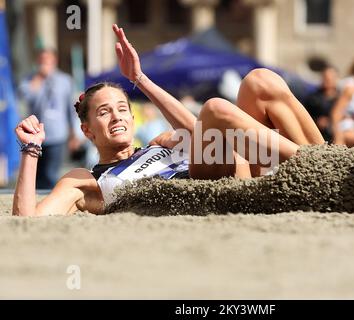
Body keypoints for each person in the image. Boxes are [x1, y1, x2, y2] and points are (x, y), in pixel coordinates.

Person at [12, 24, 324, 216]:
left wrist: (139, 78)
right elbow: (28, 219)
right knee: (214, 108)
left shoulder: (156, 143)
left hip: (246, 168)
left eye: (122, 108)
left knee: (260, 81)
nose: (117, 115)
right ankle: (326, 168)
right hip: (219, 190)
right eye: (104, 112)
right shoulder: (86, 181)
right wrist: (30, 151)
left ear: (133, 118)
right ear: (87, 130)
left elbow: (201, 136)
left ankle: (330, 161)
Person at [18, 48, 81, 189]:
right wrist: (39, 79)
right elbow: (24, 98)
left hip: (57, 135)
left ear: (54, 61)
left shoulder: (65, 80)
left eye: (47, 60)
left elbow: (70, 109)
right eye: (41, 60)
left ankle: (46, 202)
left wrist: (74, 133)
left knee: (50, 174)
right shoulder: (29, 80)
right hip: (34, 134)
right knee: (33, 173)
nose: (44, 63)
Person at [304, 65, 339, 142]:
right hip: (318, 134)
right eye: (325, 78)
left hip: (337, 132)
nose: (327, 81)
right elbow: (304, 115)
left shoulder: (341, 97)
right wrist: (317, 121)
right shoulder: (313, 97)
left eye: (330, 79)